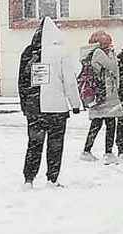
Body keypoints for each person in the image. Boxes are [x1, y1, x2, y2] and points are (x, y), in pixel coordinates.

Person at [18, 17, 82, 189]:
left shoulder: (28, 53)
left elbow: (22, 82)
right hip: (56, 109)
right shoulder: (61, 53)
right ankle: (52, 179)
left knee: (34, 144)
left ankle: (28, 179)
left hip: (34, 109)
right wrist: (75, 104)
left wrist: (25, 104)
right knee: (55, 145)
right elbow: (69, 81)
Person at [80, 31, 123, 164]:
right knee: (110, 124)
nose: (110, 45)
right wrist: (111, 54)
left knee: (97, 124)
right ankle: (108, 152)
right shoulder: (99, 53)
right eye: (108, 42)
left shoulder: (91, 53)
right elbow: (113, 67)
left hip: (100, 94)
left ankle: (87, 150)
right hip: (105, 94)